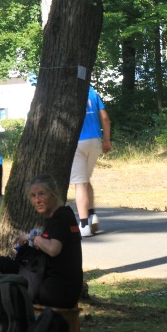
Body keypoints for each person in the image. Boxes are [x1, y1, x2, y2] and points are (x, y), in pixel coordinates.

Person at [0, 174, 83, 309]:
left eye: (41, 194)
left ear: (55, 193)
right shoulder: (60, 216)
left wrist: (33, 238)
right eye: (33, 196)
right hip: (63, 287)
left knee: (9, 283)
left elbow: (53, 249)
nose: (37, 200)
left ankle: (15, 319)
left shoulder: (61, 217)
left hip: (57, 290)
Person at [70, 86, 111, 237]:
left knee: (80, 183)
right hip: (95, 140)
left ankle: (84, 224)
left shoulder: (69, 92)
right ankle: (92, 215)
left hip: (78, 142)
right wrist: (106, 139)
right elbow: (105, 118)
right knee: (86, 179)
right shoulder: (92, 92)